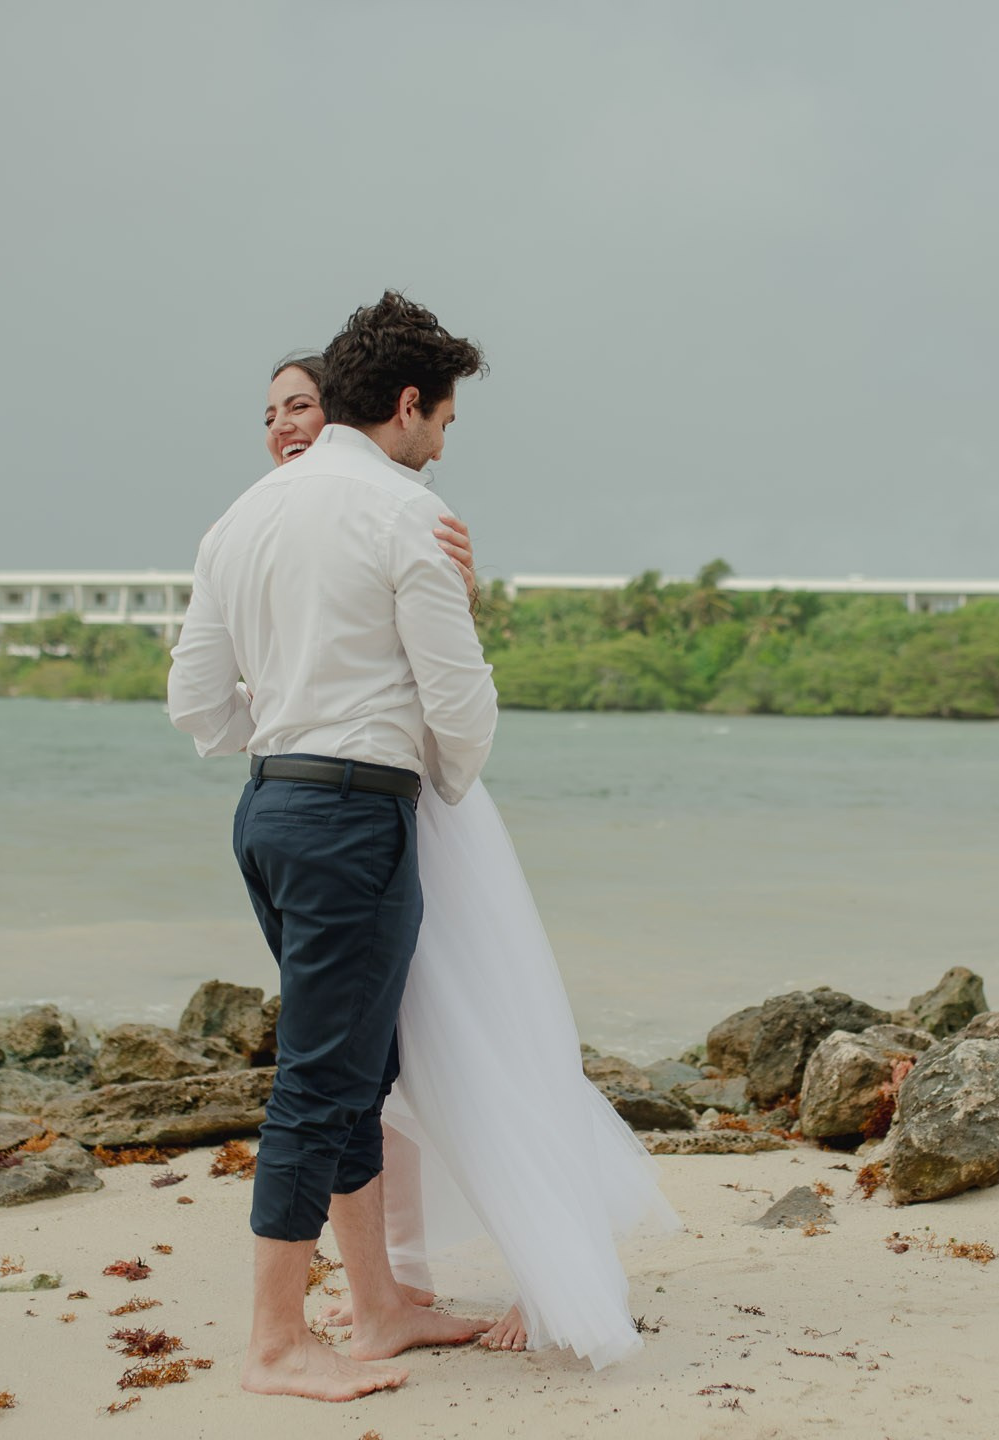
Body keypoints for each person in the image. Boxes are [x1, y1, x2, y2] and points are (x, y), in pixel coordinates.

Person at [254, 350, 679, 1366]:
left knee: (486, 1032)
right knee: (376, 1067)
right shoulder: (273, 527)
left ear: (346, 412)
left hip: (412, 803)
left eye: (302, 405)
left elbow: (447, 690)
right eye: (269, 413)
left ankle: (542, 1266)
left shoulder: (396, 515)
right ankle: (393, 1284)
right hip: (340, 804)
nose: (285, 426)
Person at [168, 292, 498, 1402]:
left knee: (357, 1066)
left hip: (267, 812)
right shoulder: (406, 514)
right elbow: (461, 708)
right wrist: (428, 779)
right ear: (408, 404)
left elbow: (196, 705)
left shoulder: (241, 516)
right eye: (443, 420)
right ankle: (275, 1344)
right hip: (353, 818)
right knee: (321, 1079)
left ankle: (380, 1307)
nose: (442, 443)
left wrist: (288, 727)